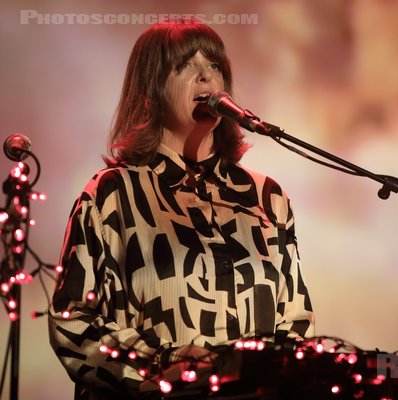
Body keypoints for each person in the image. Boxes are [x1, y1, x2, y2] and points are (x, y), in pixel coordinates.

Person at [47, 19, 314, 399]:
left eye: (215, 67)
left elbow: (297, 319)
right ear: (151, 89)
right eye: (187, 66)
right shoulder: (112, 194)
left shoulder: (266, 196)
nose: (206, 78)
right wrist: (159, 365)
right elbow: (72, 319)